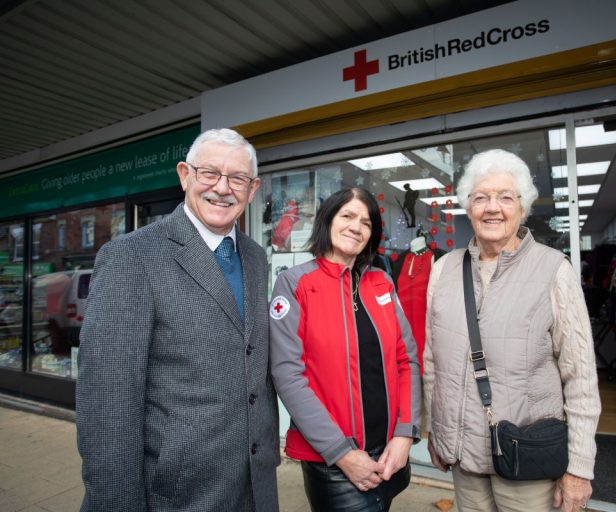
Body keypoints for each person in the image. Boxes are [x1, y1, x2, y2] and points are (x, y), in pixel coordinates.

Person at [76, 128, 279, 511]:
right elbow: (107, 405)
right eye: (210, 173)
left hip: (255, 483)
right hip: (177, 492)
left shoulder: (254, 255)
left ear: (253, 189)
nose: (223, 188)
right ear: (185, 175)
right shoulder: (132, 257)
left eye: (237, 178)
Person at [423, 149, 600, 512]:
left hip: (528, 459)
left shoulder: (554, 270)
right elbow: (432, 362)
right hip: (464, 458)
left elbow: (580, 375)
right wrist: (437, 434)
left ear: (522, 207)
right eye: (481, 198)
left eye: (505, 197)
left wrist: (579, 467)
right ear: (468, 207)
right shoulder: (444, 270)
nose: (493, 208)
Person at [270, 187, 421, 511]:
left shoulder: (382, 282)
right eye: (348, 216)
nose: (356, 227)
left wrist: (405, 434)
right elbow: (287, 375)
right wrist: (342, 453)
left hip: (391, 454)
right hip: (334, 464)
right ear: (328, 220)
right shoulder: (296, 283)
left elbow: (406, 360)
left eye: (366, 222)